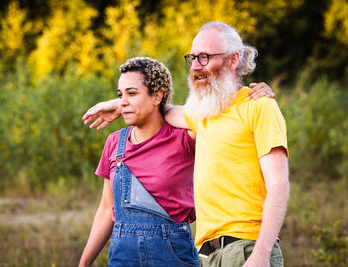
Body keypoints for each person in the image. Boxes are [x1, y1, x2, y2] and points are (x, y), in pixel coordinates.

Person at [83, 21, 288, 267]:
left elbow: (279, 184)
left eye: (205, 57)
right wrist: (123, 104)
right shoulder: (202, 115)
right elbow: (161, 110)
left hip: (246, 248)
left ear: (234, 60)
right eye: (192, 59)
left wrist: (262, 255)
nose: (196, 67)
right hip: (208, 253)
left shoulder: (259, 106)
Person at [79, 57, 199, 267]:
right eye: (120, 95)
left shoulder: (184, 138)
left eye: (131, 93)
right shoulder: (115, 142)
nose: (122, 102)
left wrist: (165, 109)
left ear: (157, 96)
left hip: (172, 255)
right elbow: (107, 210)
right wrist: (83, 264)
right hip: (123, 255)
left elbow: (210, 117)